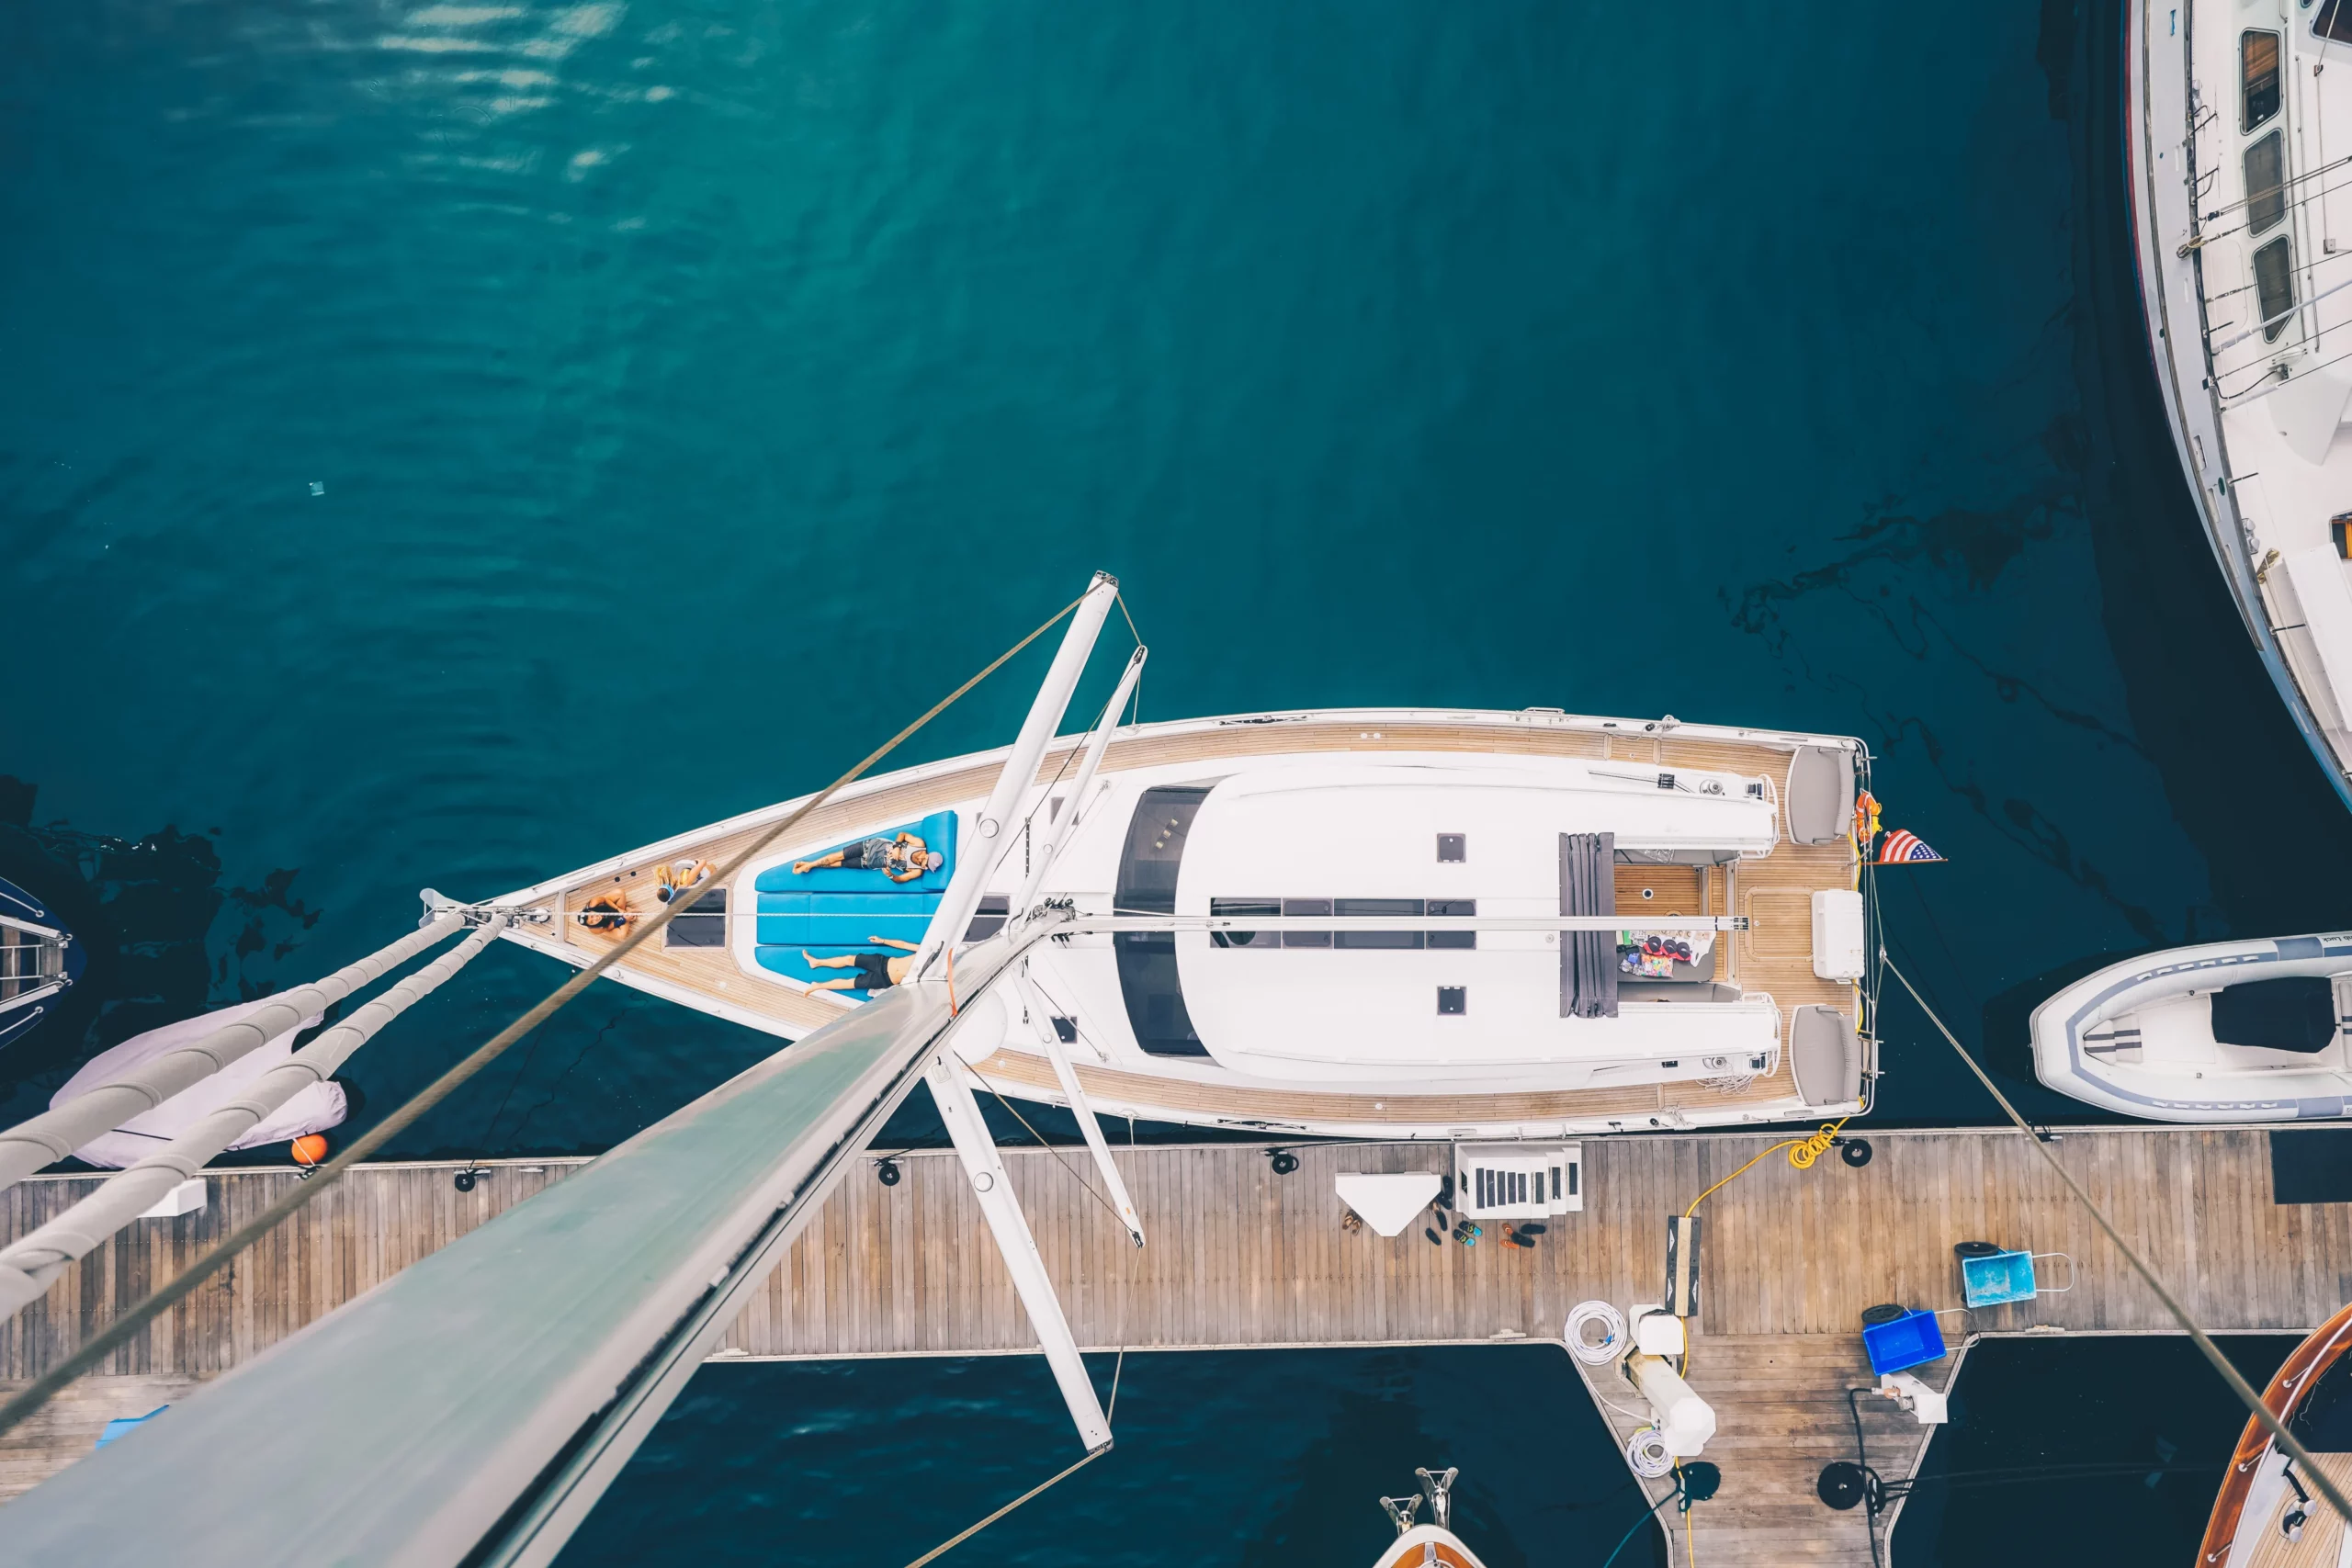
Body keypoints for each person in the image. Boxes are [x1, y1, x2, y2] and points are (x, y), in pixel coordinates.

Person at [793, 832, 943, 884]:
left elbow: (901, 880)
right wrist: (897, 847)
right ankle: (809, 866)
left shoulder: (917, 871)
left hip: (869, 862)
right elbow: (903, 834)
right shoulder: (919, 844)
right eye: (925, 863)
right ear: (926, 855)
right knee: (839, 854)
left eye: (927, 868)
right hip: (871, 846)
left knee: (840, 864)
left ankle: (810, 865)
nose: (924, 867)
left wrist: (891, 875)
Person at [803, 936, 920, 993]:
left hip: (884, 979)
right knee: (849, 959)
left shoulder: (933, 971)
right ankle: (817, 962)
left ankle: (818, 986)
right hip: (883, 962)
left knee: (850, 983)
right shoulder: (926, 950)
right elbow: (904, 945)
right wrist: (883, 941)